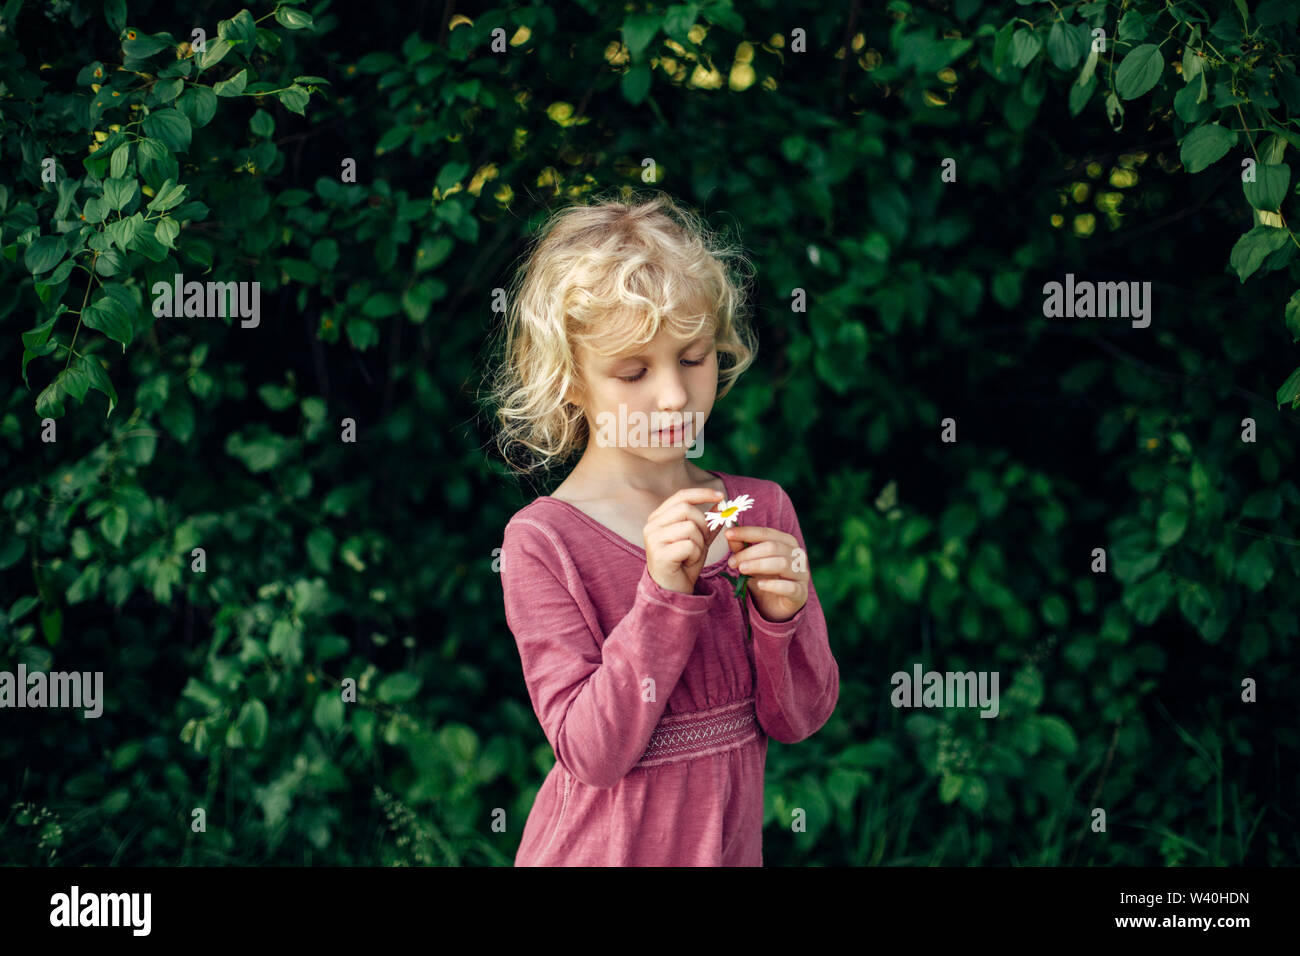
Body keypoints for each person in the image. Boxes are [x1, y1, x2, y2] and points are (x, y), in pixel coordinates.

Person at [486, 190, 839, 865]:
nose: (674, 396)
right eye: (633, 370)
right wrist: (661, 597)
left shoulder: (760, 510)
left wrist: (782, 620)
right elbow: (592, 753)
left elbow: (798, 718)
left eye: (694, 357)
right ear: (571, 382)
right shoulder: (544, 542)